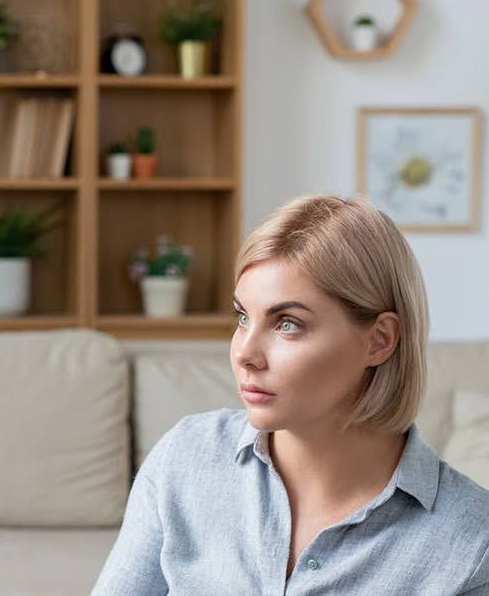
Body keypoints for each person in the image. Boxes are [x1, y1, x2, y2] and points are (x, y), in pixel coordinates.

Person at [92, 195, 489, 595]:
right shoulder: (184, 460)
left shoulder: (472, 544)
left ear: (379, 340)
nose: (245, 353)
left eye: (288, 324)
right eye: (242, 317)